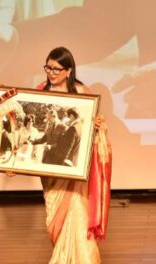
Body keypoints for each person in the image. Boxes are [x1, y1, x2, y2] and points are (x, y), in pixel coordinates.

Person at [37, 47, 107, 263]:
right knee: (54, 215)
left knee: (76, 213)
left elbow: (94, 127)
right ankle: (63, 254)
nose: (51, 72)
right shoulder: (40, 91)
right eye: (48, 67)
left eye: (57, 69)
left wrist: (97, 125)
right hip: (50, 168)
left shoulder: (81, 92)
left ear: (68, 71)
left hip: (74, 170)